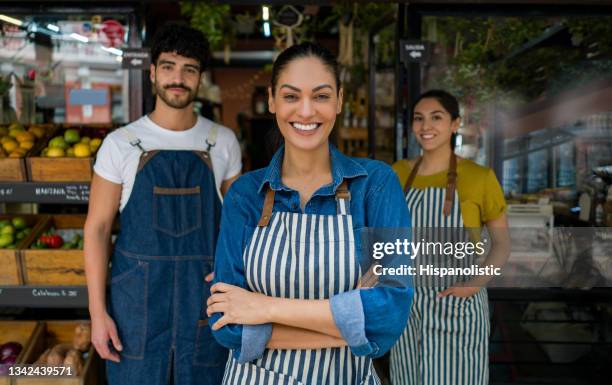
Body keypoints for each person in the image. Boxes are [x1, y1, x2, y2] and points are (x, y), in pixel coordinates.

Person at [205, 42, 412, 385]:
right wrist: (352, 331)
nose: (305, 111)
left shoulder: (375, 186)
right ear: (272, 100)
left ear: (339, 101)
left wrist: (264, 307)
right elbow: (227, 328)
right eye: (290, 96)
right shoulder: (245, 195)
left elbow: (389, 314)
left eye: (320, 96)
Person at [84, 24, 241, 385]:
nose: (178, 78)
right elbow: (96, 230)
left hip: (203, 299)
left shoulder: (223, 141)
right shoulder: (121, 144)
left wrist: (232, 268)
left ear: (200, 77)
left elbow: (237, 224)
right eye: (168, 66)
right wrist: (97, 313)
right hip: (136, 305)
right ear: (152, 72)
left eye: (189, 69)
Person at [389, 90, 510, 385]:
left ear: (455, 124)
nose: (425, 126)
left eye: (436, 117)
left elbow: (502, 244)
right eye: (419, 118)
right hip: (408, 312)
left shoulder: (480, 177)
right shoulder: (396, 174)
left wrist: (473, 286)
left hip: (458, 308)